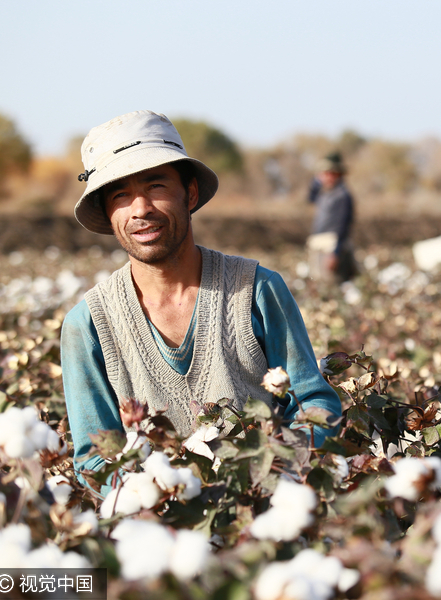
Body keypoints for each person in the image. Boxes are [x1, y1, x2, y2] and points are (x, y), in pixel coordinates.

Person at [61, 110, 341, 486]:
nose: (140, 209)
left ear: (190, 193)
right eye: (120, 194)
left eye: (156, 186)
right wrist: (162, 493)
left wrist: (267, 467)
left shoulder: (256, 290)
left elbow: (313, 404)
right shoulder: (88, 325)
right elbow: (94, 461)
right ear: (108, 212)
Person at [307, 151, 358, 283]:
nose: (326, 177)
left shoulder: (342, 196)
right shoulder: (325, 193)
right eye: (324, 173)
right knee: (320, 283)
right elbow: (310, 198)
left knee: (334, 283)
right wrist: (316, 181)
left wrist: (335, 253)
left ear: (338, 174)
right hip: (319, 246)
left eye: (330, 173)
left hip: (332, 248)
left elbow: (343, 226)